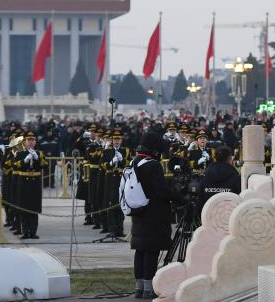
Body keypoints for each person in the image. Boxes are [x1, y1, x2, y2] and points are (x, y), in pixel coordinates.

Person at [130, 131, 185, 299]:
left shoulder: (135, 162)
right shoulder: (153, 165)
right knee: (151, 251)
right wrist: (180, 197)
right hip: (154, 214)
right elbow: (162, 191)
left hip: (139, 213)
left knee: (140, 250)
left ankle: (139, 288)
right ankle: (149, 289)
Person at [15, 130, 44, 239]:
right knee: (24, 208)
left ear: (35, 142)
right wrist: (25, 160)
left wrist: (37, 158)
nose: (31, 142)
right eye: (28, 140)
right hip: (24, 183)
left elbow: (45, 165)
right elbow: (15, 165)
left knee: (34, 208)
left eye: (33, 140)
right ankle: (25, 232)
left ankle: (33, 232)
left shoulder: (39, 153)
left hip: (35, 183)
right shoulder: (19, 153)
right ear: (24, 142)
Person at [103, 128, 130, 238]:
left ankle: (120, 229)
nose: (116, 141)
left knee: (120, 204)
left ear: (121, 140)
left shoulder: (125, 151)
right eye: (115, 139)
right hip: (110, 180)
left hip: (121, 180)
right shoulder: (107, 151)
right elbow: (102, 165)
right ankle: (112, 230)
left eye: (118, 139)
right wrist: (111, 163)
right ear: (112, 140)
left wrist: (122, 160)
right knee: (111, 205)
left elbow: (129, 164)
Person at [198, 146, 241, 210]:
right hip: (229, 213)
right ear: (229, 159)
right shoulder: (236, 178)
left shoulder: (205, 176)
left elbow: (200, 199)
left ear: (215, 158)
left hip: (207, 213)